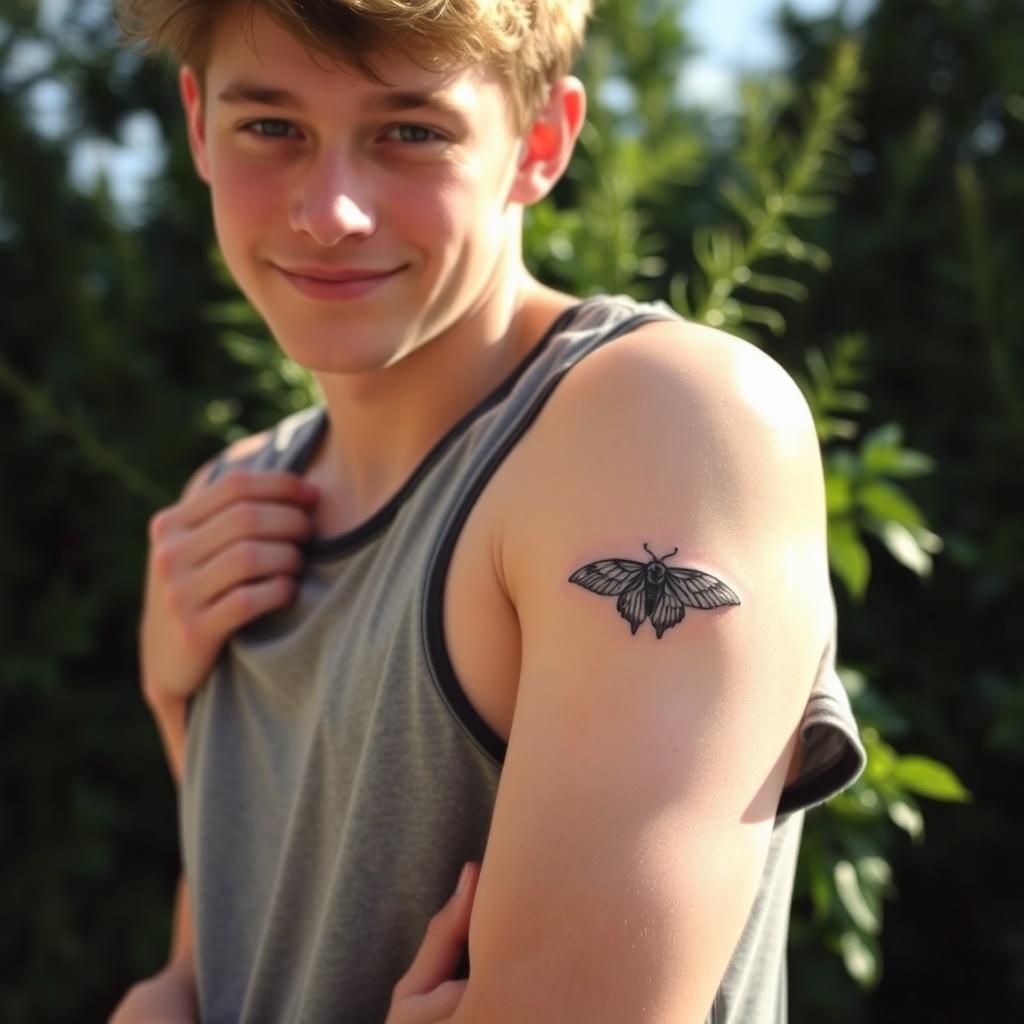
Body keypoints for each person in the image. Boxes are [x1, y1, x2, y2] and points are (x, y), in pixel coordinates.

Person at [108, 1, 866, 1022]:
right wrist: (174, 699)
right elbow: (215, 970)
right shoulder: (230, 508)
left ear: (540, 141)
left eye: (411, 132)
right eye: (272, 127)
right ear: (199, 123)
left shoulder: (660, 425)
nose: (328, 211)